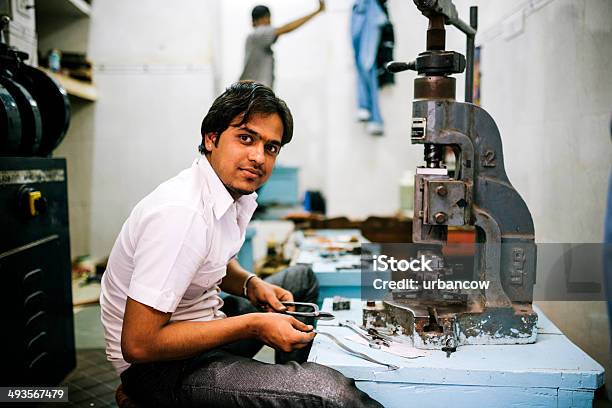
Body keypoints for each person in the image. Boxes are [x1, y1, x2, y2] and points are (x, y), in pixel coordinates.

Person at [100, 81, 382, 407]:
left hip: (202, 325)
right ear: (211, 138)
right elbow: (138, 344)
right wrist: (253, 325)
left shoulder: (228, 195)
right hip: (159, 367)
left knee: (300, 280)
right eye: (246, 138)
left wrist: (250, 284)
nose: (258, 157)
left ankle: (288, 390)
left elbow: (211, 261)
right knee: (333, 394)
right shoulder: (182, 214)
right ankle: (149, 399)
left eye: (271, 147)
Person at [240, 1, 326, 88]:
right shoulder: (259, 34)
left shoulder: (254, 38)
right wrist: (317, 11)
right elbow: (287, 28)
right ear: (265, 18)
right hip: (255, 93)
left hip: (252, 92)